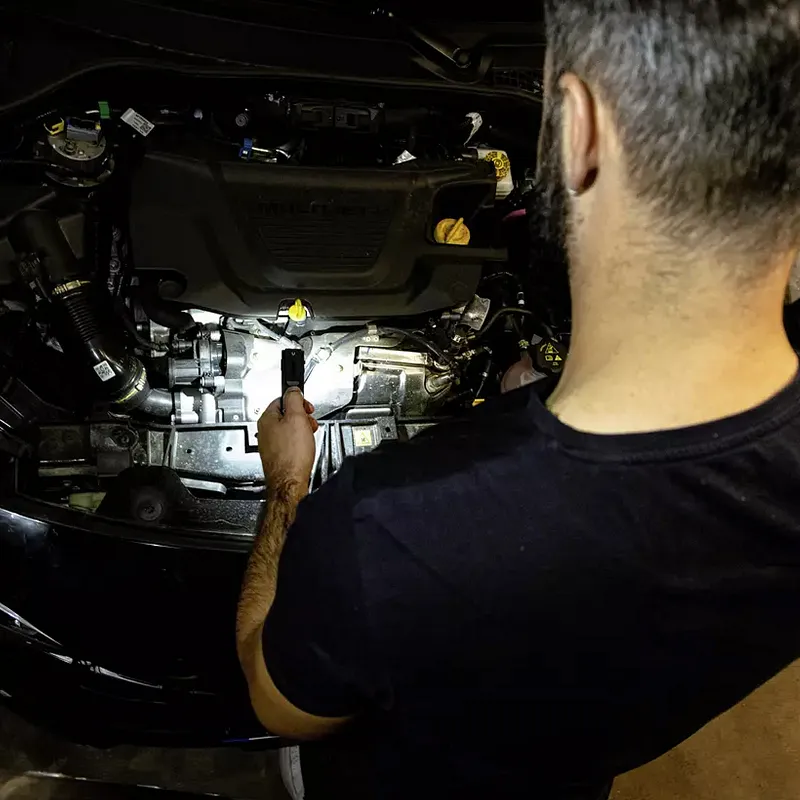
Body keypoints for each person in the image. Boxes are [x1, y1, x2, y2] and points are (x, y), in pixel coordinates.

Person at [236, 2, 800, 798]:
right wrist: (529, 405)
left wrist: (287, 485)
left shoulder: (387, 528)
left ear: (581, 128)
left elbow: (278, 705)